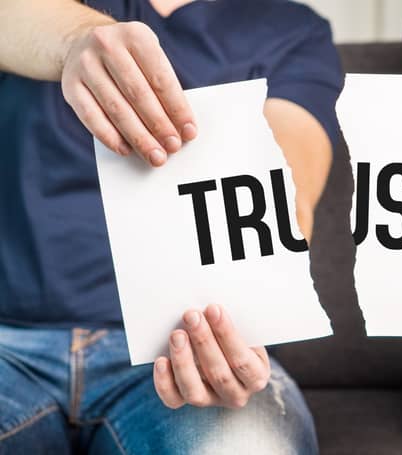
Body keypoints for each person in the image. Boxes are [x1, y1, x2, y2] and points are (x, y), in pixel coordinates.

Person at [0, 0, 343, 452]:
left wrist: (246, 315)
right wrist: (75, 40)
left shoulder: (293, 31)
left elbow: (287, 188)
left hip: (179, 346)